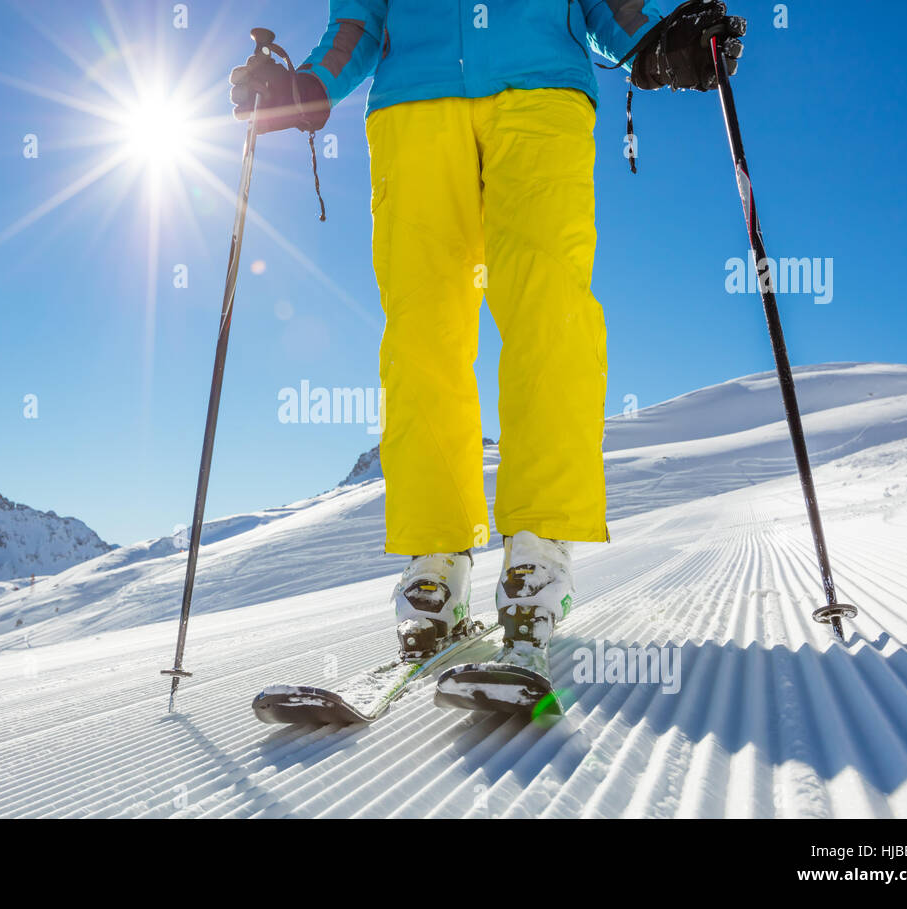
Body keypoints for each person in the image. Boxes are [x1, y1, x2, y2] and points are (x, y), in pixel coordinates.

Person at [230, 1, 745, 678]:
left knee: (548, 314)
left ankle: (538, 552)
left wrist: (656, 37)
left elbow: (603, 3)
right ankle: (435, 561)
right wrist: (312, 84)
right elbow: (357, 21)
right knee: (421, 334)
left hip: (540, 93)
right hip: (412, 108)